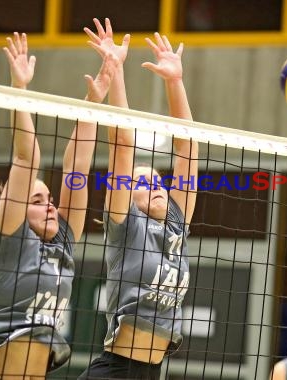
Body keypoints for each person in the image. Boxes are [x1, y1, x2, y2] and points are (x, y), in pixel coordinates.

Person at [0, 26, 118, 378]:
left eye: (50, 199)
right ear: (17, 206)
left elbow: (77, 166)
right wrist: (20, 91)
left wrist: (95, 103)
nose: (50, 205)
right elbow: (26, 160)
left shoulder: (63, 240)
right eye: (37, 199)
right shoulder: (12, 238)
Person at [78, 19, 198, 380]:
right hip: (115, 370)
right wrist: (115, 70)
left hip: (154, 371)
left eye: (160, 181)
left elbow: (188, 148)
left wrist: (175, 81)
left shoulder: (176, 221)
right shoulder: (125, 224)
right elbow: (121, 144)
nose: (158, 186)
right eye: (144, 184)